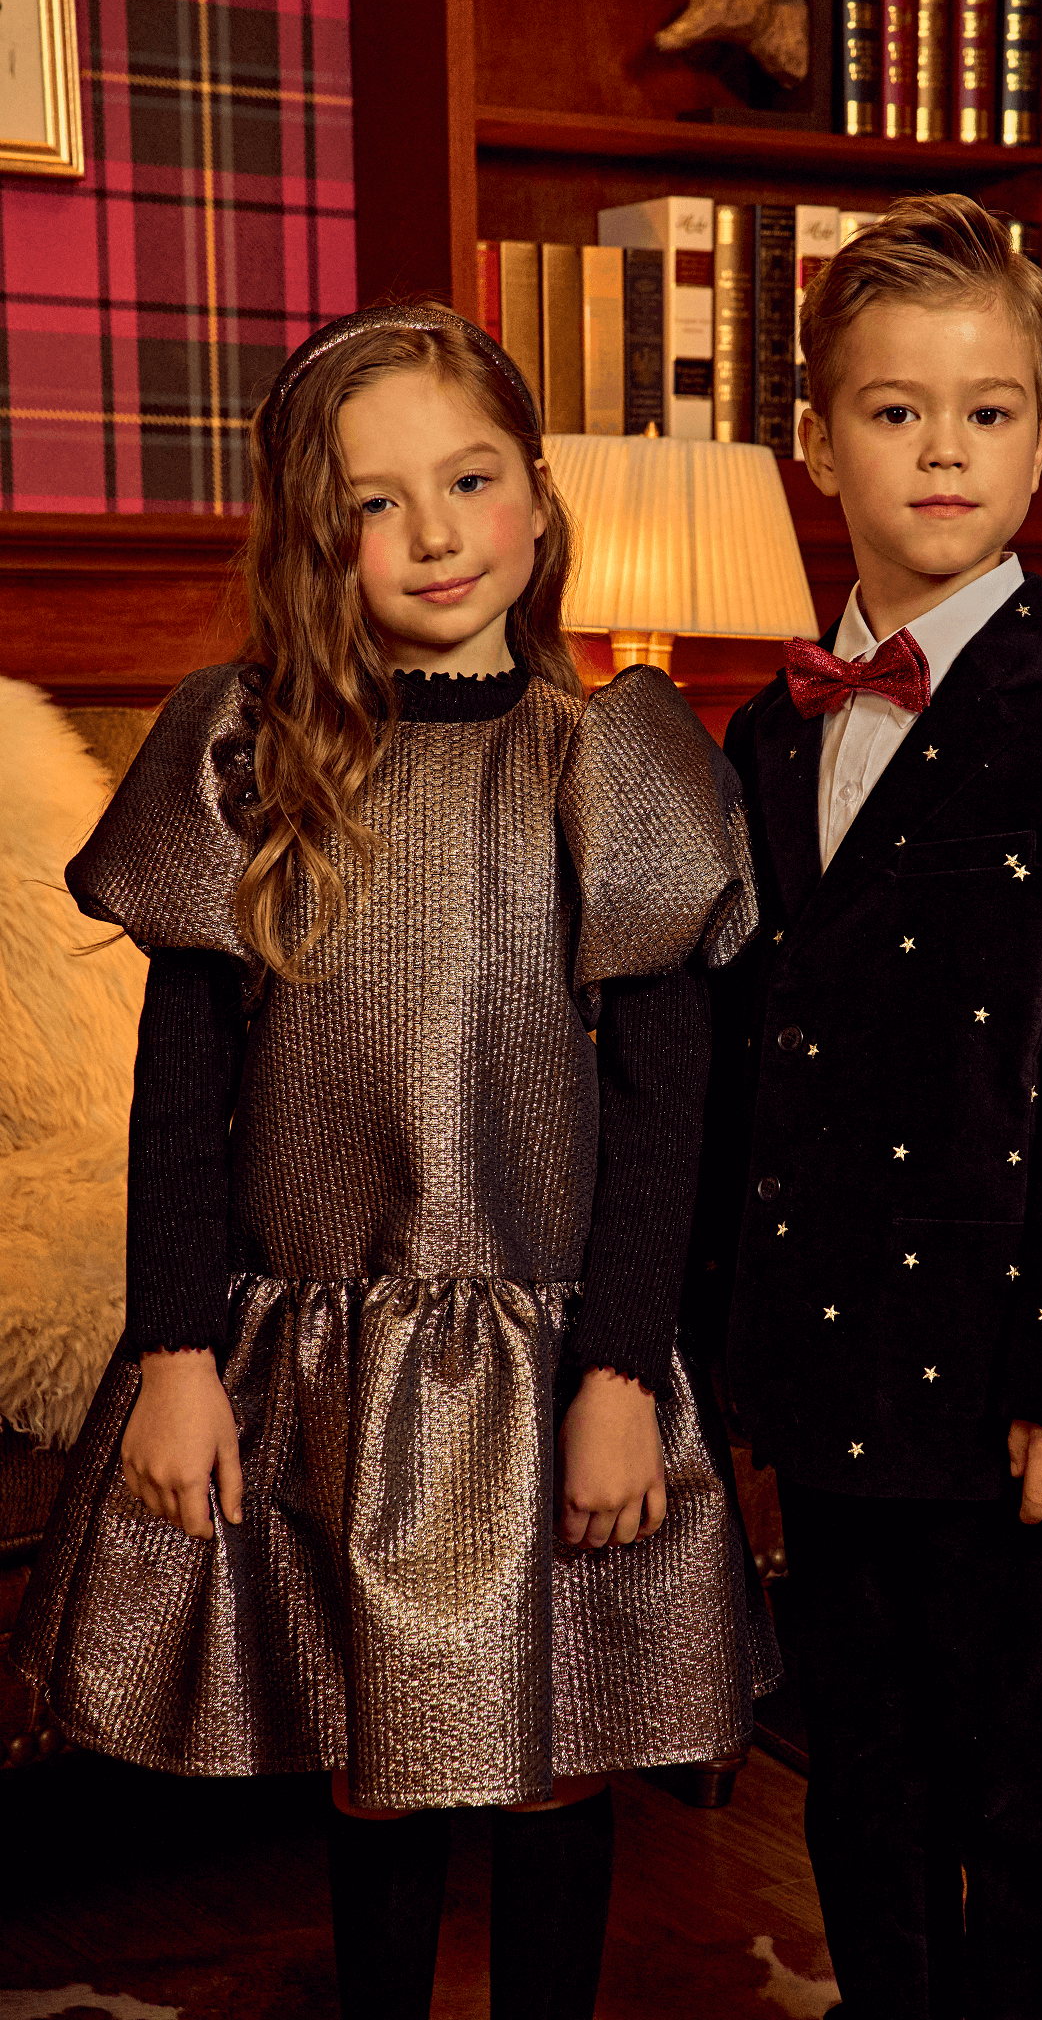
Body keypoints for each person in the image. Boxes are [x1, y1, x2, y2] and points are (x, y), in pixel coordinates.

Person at [14, 303, 778, 2020]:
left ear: (534, 495)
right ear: (316, 536)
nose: (433, 534)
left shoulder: (616, 761)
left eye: (469, 479)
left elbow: (667, 1111)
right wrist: (180, 1349)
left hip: (553, 1355)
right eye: (375, 502)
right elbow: (184, 1075)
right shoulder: (249, 751)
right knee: (379, 1746)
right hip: (329, 1355)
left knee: (553, 1750)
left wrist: (620, 1375)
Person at [698, 197, 1042, 2019]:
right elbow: (749, 1064)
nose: (942, 449)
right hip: (839, 1376)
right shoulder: (764, 740)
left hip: (1025, 1390)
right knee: (866, 1786)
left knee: (1031, 1804)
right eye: (897, 410)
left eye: (987, 412)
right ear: (815, 444)